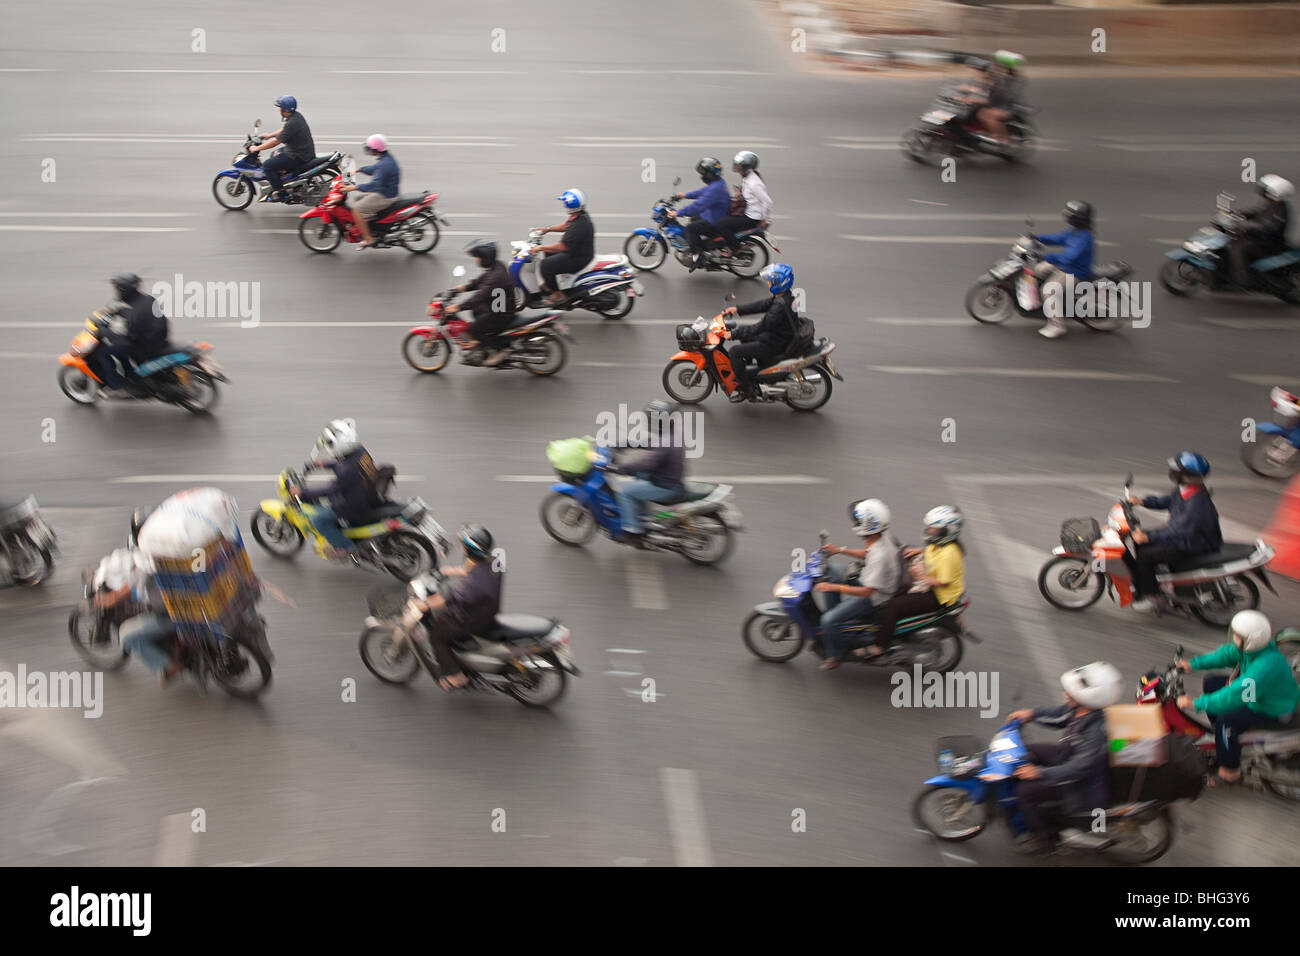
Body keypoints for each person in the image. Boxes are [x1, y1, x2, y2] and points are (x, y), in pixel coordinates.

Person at [1008, 661, 1122, 855]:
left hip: (1079, 786)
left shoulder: (1095, 732)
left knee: (1025, 792)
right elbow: (1059, 715)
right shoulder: (1082, 709)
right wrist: (1031, 714)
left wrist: (1038, 773)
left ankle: (1043, 839)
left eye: (1072, 692)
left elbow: (1079, 769)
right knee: (1030, 751)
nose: (1066, 694)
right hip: (1066, 755)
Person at [1177, 610, 1300, 785]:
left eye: (1238, 636)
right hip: (1261, 696)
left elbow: (1234, 694)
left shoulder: (1264, 668)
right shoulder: (1255, 649)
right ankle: (1223, 741)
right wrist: (1193, 664)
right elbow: (1225, 655)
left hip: (1271, 708)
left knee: (1226, 722)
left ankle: (1230, 770)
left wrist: (1196, 703)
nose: (1234, 638)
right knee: (1212, 683)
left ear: (1250, 641)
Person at [1122, 452, 1222, 611]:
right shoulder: (1187, 489)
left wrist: (1148, 536)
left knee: (1146, 555)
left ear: (1186, 476)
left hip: (1194, 544)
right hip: (1186, 536)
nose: (1172, 473)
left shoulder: (1196, 504)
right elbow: (1167, 501)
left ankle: (1153, 596)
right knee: (1138, 541)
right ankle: (1152, 580)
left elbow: (1180, 530)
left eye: (1176, 471)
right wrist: (1142, 501)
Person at [408, 525, 502, 691]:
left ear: (471, 550)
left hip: (474, 619)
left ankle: (457, 677)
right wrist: (452, 571)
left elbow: (447, 598)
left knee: (437, 636)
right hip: (487, 610)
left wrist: (424, 604)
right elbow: (472, 571)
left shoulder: (471, 587)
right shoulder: (494, 562)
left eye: (465, 545)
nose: (463, 548)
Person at [864, 506, 965, 658]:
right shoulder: (940, 544)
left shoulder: (949, 553)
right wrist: (918, 551)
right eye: (930, 528)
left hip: (938, 596)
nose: (930, 531)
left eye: (934, 529)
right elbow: (931, 551)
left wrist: (920, 577)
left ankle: (880, 646)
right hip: (931, 588)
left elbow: (943, 582)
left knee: (892, 606)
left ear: (948, 531)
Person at [814, 499, 902, 671]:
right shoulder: (883, 536)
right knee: (832, 571)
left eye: (858, 521)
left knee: (828, 620)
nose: (855, 523)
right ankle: (839, 623)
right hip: (871, 580)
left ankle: (836, 654)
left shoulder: (880, 556)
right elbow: (868, 554)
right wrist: (839, 550)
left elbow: (867, 592)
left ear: (867, 525)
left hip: (875, 598)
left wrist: (833, 588)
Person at [105, 508, 180, 684]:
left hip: (173, 614)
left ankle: (168, 666)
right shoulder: (179, 544)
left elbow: (135, 588)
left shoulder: (149, 557)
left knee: (126, 635)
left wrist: (113, 598)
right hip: (195, 603)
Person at [292, 420, 380, 559]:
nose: (329, 446)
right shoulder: (360, 450)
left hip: (353, 504)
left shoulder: (346, 471)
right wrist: (324, 464)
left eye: (331, 443)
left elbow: (329, 490)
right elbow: (345, 462)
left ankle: (346, 547)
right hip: (366, 492)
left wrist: (303, 492)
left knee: (318, 520)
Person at [609, 400, 686, 546]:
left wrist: (620, 468)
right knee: (636, 476)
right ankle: (642, 515)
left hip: (665, 486)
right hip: (666, 477)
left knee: (623, 490)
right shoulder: (670, 433)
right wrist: (625, 444)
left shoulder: (666, 442)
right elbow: (649, 443)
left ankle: (632, 530)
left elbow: (645, 463)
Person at [722, 263, 797, 401]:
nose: (768, 283)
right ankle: (753, 373)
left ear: (778, 283)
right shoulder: (783, 296)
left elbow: (760, 327)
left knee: (734, 352)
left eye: (770, 281)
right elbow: (762, 305)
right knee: (746, 339)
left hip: (774, 343)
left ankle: (746, 389)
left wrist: (733, 334)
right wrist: (738, 309)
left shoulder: (779, 307)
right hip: (778, 336)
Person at [95, 273, 170, 395]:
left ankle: (117, 386)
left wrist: (102, 330)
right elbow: (136, 314)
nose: (116, 292)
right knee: (119, 347)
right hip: (159, 340)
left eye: (118, 289)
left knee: (103, 351)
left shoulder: (134, 313)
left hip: (144, 347)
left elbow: (127, 336)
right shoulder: (148, 299)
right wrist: (118, 312)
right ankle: (130, 374)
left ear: (125, 291)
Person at [1030, 200, 1095, 339]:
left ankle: (1057, 325)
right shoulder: (1074, 231)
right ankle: (1048, 305)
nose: (1067, 218)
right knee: (1039, 270)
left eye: (1071, 216)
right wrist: (1037, 238)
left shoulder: (1084, 238)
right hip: (1066, 266)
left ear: (1078, 219)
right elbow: (1059, 238)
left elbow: (1069, 258)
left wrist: (1047, 257)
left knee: (1048, 290)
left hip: (1075, 271)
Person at [448, 239, 518, 367]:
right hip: (498, 306)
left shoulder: (497, 276)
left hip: (501, 313)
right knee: (476, 312)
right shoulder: (497, 266)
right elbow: (481, 280)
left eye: (478, 257)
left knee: (474, 329)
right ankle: (488, 340)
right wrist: (463, 288)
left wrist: (458, 307)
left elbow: (480, 296)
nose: (476, 260)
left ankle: (499, 350)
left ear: (485, 257)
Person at [1228, 174, 1293, 289]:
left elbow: (1272, 228)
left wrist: (1248, 229)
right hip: (1262, 238)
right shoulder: (1272, 205)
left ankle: (1244, 280)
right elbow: (1256, 213)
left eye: (1266, 191)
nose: (1263, 193)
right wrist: (1238, 213)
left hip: (1269, 243)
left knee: (1238, 248)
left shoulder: (1281, 210)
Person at [532, 189, 595, 305]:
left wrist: (540, 248)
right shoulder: (580, 215)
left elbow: (562, 247)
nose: (563, 204)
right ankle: (551, 284)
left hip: (579, 258)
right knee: (548, 254)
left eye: (564, 202)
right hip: (579, 252)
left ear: (570, 205)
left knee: (545, 265)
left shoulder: (578, 226)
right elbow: (566, 225)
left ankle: (558, 295)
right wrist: (547, 229)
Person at [250, 94, 316, 203]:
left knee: (267, 166)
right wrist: (269, 135)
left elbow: (276, 142)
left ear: (285, 109)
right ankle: (287, 182)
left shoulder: (292, 122)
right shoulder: (296, 116)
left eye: (280, 107)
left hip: (298, 156)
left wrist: (257, 148)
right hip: (300, 151)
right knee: (275, 154)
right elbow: (283, 130)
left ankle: (282, 193)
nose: (279, 110)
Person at [668, 157, 729, 271]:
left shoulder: (715, 189)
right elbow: (702, 192)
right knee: (694, 220)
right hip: (715, 215)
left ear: (709, 174)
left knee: (690, 228)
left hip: (714, 220)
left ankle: (697, 255)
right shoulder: (718, 183)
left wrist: (678, 213)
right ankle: (704, 247)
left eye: (703, 173)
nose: (702, 176)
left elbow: (698, 206)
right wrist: (685, 195)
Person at [339, 134, 399, 248]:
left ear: (376, 149)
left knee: (356, 209)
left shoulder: (385, 165)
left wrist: (354, 187)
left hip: (385, 195)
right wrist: (358, 170)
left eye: (370, 148)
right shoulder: (386, 158)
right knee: (357, 199)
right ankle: (371, 225)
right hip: (386, 191)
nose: (369, 150)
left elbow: (374, 185)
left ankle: (368, 238)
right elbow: (374, 169)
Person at [958, 50, 1027, 148]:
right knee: (976, 111)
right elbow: (983, 88)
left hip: (1005, 108)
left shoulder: (1009, 80)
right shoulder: (1001, 78)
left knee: (984, 114)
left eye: (1001, 66)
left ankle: (1003, 138)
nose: (998, 67)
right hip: (998, 104)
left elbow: (991, 96)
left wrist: (973, 98)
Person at [716, 150, 772, 252]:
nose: (738, 168)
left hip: (752, 217)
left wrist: (764, 219)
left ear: (746, 167)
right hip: (747, 210)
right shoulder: (748, 176)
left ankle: (735, 248)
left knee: (721, 224)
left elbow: (767, 202)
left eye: (740, 166)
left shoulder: (754, 183)